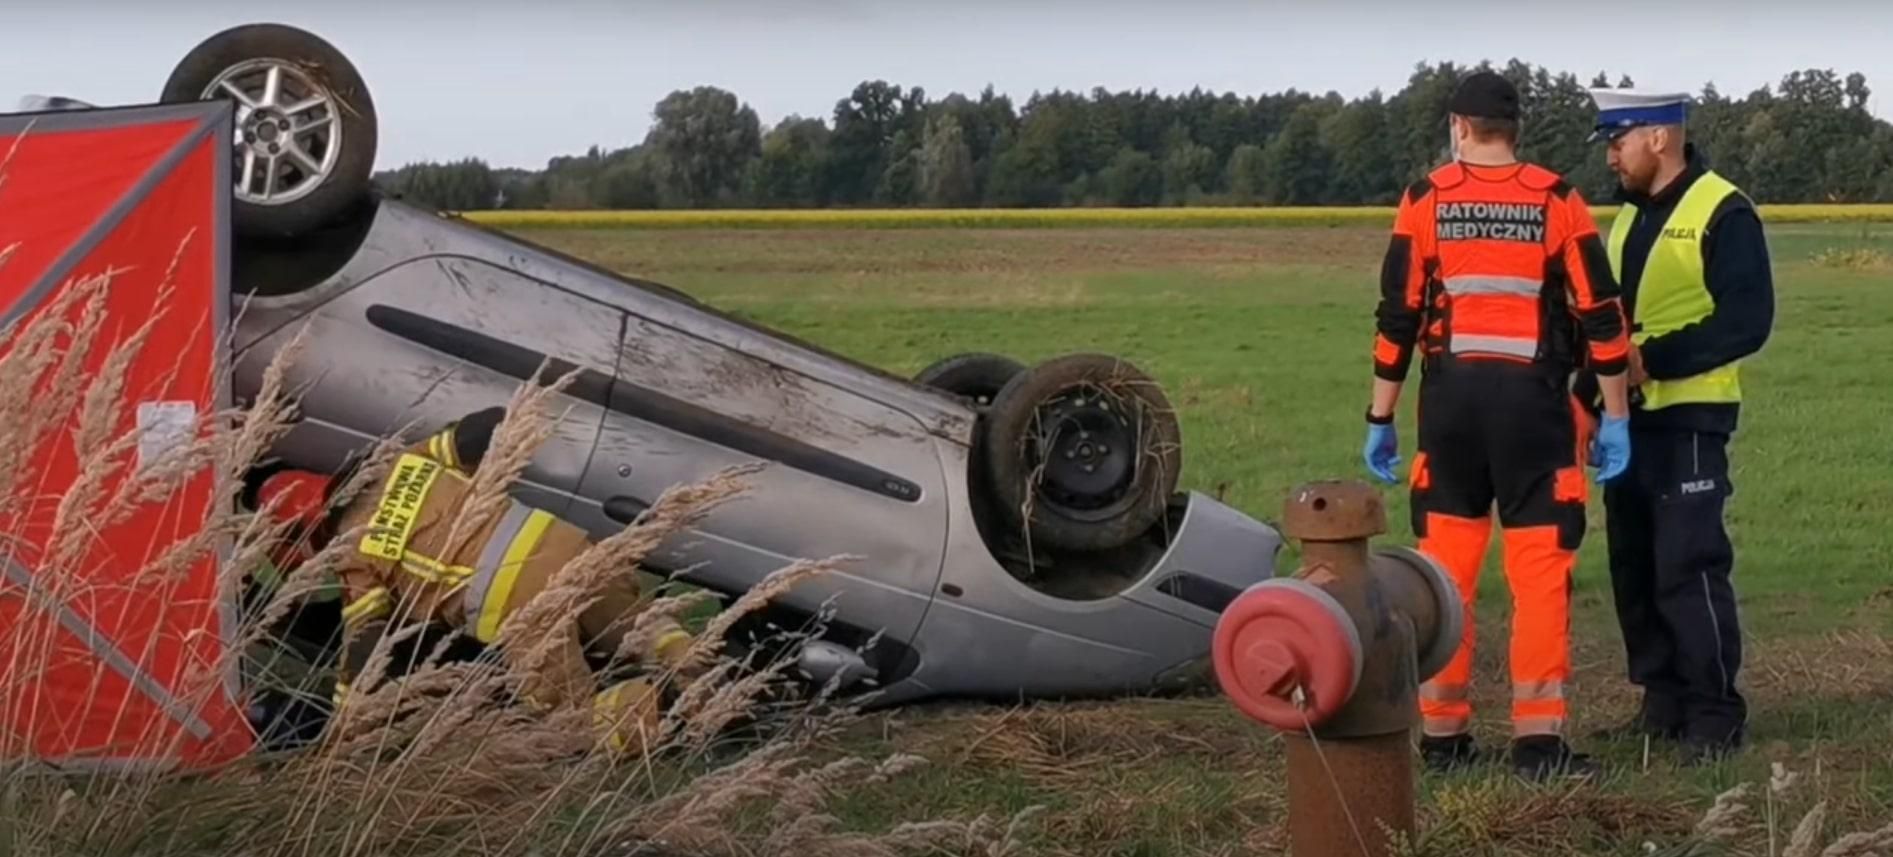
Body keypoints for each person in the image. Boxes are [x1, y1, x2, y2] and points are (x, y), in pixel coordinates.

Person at [1363, 70, 1635, 781]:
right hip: (1535, 415)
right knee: (1540, 575)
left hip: (1449, 413)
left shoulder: (1423, 200)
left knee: (1444, 576)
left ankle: (1443, 737)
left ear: (1457, 126)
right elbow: (1601, 316)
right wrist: (1613, 417)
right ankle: (1538, 742)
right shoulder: (1555, 199)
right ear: (1515, 132)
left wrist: (1380, 415)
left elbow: (1397, 314)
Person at [252, 405, 698, 754]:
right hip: (570, 547)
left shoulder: (353, 555)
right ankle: (708, 679)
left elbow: (366, 642)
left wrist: (345, 719)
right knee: (646, 632)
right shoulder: (405, 462)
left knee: (570, 717)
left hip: (519, 601)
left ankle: (676, 720)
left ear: (307, 537)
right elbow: (484, 428)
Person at [1578, 89, 1774, 766]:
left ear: (1658, 137)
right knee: (1632, 564)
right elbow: (1610, 326)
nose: (1610, 154)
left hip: (1691, 415)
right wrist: (1587, 400)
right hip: (1627, 420)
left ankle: (1714, 714)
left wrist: (1651, 360)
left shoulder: (1724, 209)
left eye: (1617, 140)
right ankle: (1659, 703)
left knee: (1685, 566)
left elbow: (1746, 321)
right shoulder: (1627, 219)